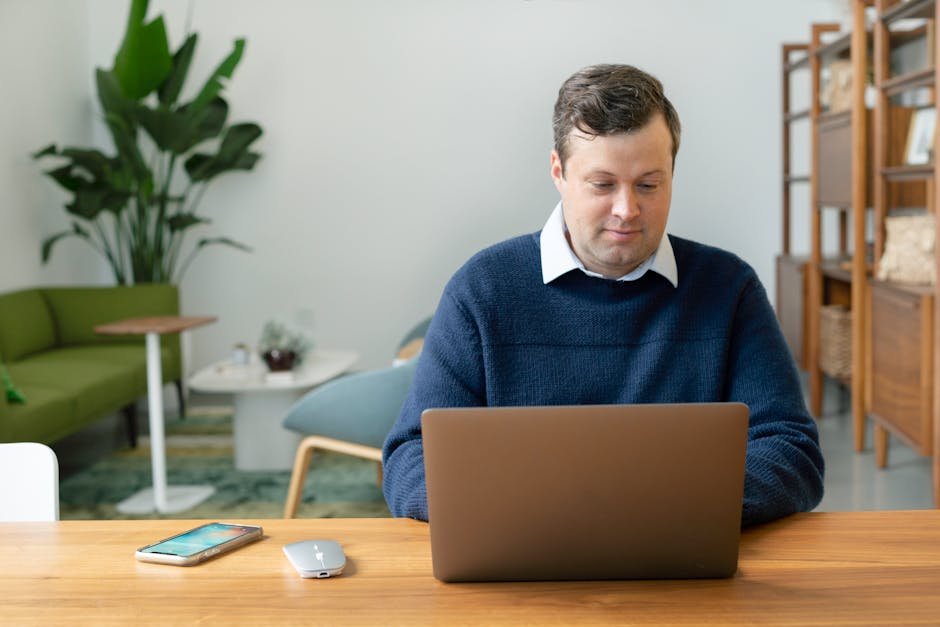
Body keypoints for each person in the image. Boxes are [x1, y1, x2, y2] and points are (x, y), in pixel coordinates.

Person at [382, 63, 824, 527]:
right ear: (559, 171)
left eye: (649, 185)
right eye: (603, 184)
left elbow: (792, 450)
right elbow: (410, 460)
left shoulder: (729, 288)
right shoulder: (482, 290)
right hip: (522, 565)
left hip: (683, 567)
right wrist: (545, 512)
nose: (626, 210)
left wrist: (658, 509)